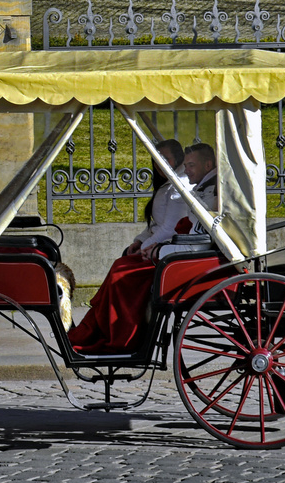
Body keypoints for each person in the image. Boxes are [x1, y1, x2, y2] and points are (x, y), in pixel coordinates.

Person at [66, 138, 209, 355]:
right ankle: (98, 327)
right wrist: (141, 241)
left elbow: (169, 227)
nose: (159, 163)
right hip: (165, 247)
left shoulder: (178, 186)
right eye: (156, 158)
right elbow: (157, 224)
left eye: (165, 158)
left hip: (173, 252)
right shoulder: (170, 184)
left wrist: (147, 248)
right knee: (120, 267)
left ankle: (118, 336)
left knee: (121, 273)